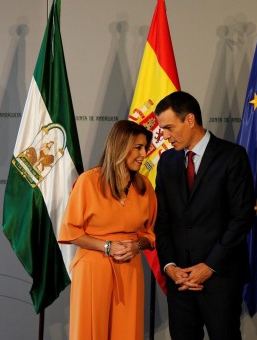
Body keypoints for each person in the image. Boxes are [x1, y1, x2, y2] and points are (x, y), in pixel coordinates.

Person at [154, 91, 255, 340]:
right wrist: (169, 266)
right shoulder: (166, 161)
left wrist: (209, 266)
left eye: (168, 127)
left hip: (220, 279)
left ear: (190, 120)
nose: (164, 136)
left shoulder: (232, 156)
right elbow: (162, 219)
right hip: (180, 281)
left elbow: (242, 218)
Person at [58, 120, 157, 340]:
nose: (144, 154)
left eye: (145, 148)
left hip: (130, 269)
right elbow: (70, 230)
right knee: (91, 331)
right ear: (120, 146)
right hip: (93, 267)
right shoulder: (89, 181)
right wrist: (107, 246)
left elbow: (150, 235)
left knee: (128, 332)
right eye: (138, 147)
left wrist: (136, 246)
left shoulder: (144, 186)